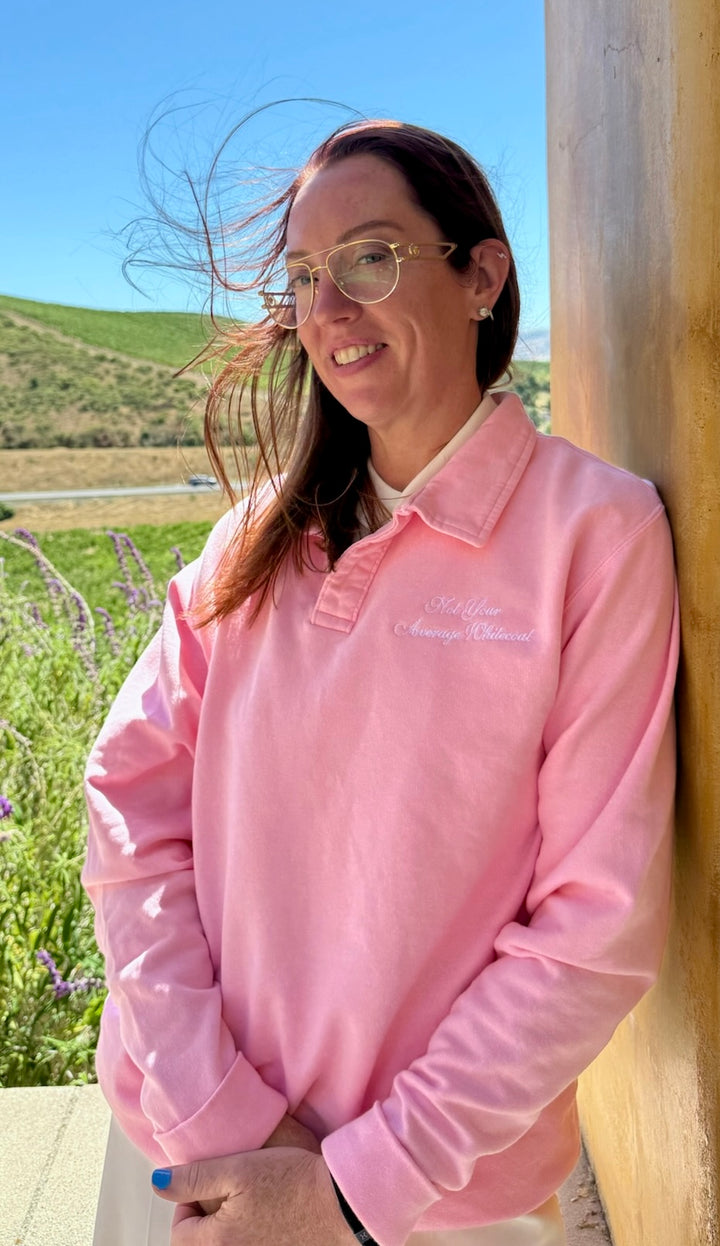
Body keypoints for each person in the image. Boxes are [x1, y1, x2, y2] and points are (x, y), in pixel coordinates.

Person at [82, 118, 679, 1246]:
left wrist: (351, 1184)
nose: (329, 310)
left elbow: (593, 927)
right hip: (185, 1154)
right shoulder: (250, 543)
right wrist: (226, 1117)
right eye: (306, 274)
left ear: (481, 277)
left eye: (369, 257)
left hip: (432, 1206)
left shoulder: (593, 536)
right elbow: (129, 810)